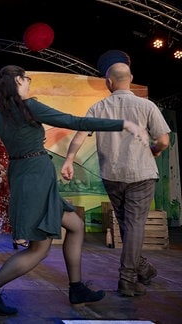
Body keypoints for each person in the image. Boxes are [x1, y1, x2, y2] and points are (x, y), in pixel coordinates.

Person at [0, 65, 149, 315]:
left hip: (25, 176)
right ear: (18, 81)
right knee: (39, 248)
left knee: (75, 225)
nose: (28, 82)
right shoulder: (29, 106)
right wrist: (124, 125)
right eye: (27, 78)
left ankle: (76, 287)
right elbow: (74, 121)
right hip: (36, 177)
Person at [61, 62, 170, 297]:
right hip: (140, 173)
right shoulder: (146, 106)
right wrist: (155, 149)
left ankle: (141, 270)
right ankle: (128, 278)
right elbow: (163, 141)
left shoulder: (98, 107)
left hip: (112, 175)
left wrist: (69, 159)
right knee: (133, 227)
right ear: (130, 78)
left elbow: (80, 134)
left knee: (127, 225)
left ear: (108, 82)